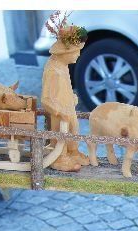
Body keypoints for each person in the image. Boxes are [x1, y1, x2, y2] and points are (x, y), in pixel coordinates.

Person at [41, 18, 89, 172]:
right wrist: (59, 111)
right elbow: (46, 99)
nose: (78, 55)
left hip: (68, 107)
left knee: (74, 129)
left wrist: (71, 97)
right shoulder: (53, 70)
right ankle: (59, 157)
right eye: (76, 51)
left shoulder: (63, 66)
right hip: (59, 111)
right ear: (65, 52)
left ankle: (73, 152)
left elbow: (65, 87)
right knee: (60, 133)